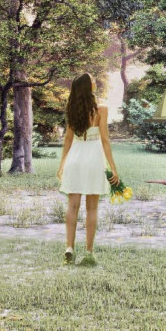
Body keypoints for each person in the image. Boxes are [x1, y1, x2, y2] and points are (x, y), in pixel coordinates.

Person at [56, 72, 119, 266]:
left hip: (75, 157)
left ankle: (69, 248)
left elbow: (67, 139)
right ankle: (89, 252)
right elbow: (105, 140)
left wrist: (62, 164)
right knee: (92, 208)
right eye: (92, 80)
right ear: (89, 86)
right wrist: (113, 168)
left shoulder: (72, 109)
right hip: (93, 158)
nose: (94, 81)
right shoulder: (101, 109)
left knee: (72, 206)